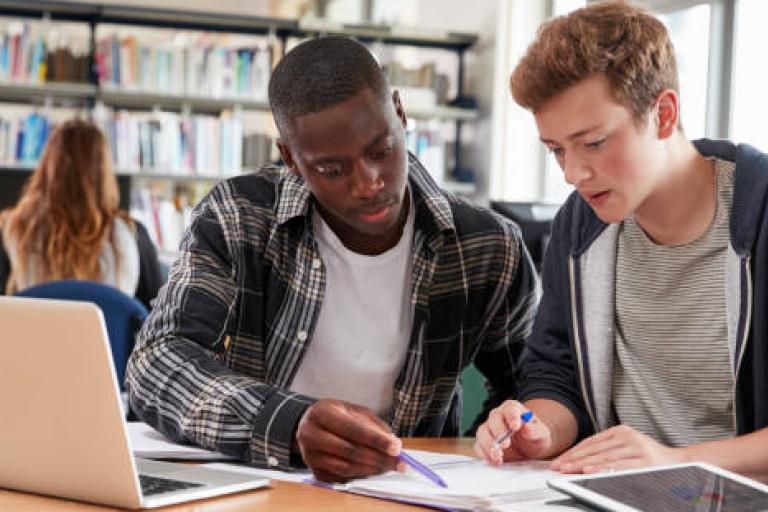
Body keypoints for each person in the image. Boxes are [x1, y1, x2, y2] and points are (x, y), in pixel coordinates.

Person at [125, 36, 539, 483]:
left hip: (409, 488)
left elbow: (535, 386)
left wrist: (495, 450)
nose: (369, 183)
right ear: (291, 159)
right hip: (267, 485)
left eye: (380, 150)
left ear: (400, 114)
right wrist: (288, 425)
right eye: (332, 170)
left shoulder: (487, 245)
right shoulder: (239, 217)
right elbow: (158, 361)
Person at [474, 0, 768, 482]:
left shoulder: (761, 214)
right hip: (616, 493)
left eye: (592, 143)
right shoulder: (581, 224)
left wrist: (677, 462)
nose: (572, 173)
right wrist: (538, 428)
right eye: (556, 150)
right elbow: (557, 372)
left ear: (665, 114)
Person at [0, 119, 162, 310]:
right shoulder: (133, 237)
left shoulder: (10, 231)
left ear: (47, 169)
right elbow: (164, 322)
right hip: (111, 341)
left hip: (31, 340)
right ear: (104, 173)